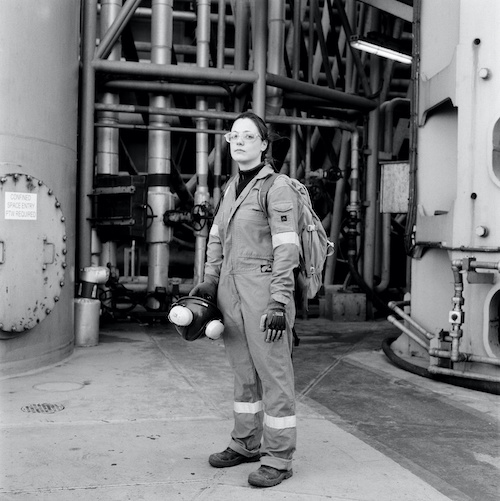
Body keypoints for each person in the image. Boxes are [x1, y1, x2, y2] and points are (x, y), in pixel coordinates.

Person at [190, 111, 300, 488]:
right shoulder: (231, 188)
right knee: (243, 375)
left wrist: (279, 303)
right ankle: (246, 443)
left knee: (274, 376)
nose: (238, 142)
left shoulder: (277, 187)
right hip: (231, 293)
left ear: (264, 144)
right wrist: (208, 282)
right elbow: (217, 239)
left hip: (264, 292)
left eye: (247, 136)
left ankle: (279, 458)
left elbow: (287, 249)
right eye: (233, 136)